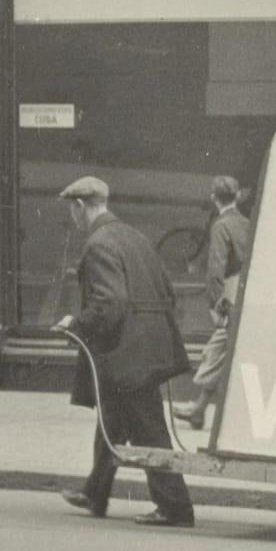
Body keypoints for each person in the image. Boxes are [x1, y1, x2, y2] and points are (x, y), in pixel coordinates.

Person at [53, 176, 196, 528]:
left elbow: (110, 302)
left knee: (149, 430)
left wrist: (76, 325)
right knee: (112, 418)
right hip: (147, 347)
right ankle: (94, 492)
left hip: (127, 353)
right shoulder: (135, 237)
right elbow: (167, 291)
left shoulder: (98, 243)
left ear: (80, 206)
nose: (73, 217)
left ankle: (175, 508)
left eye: (72, 210)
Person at [173, 176, 252, 430]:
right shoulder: (248, 224)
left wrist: (216, 302)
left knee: (218, 348)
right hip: (246, 291)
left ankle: (199, 410)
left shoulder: (221, 225)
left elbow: (215, 268)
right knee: (220, 349)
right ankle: (199, 409)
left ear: (213, 198)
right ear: (238, 195)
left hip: (229, 293)